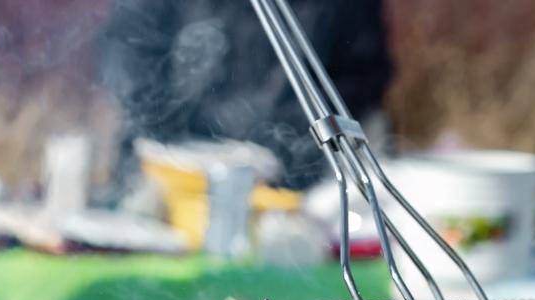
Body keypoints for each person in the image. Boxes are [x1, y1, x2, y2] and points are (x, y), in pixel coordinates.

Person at [100, 0, 392, 190]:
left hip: (287, 192)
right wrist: (168, 125)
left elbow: (361, 75)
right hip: (163, 181)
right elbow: (126, 49)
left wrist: (286, 140)